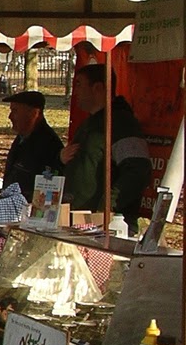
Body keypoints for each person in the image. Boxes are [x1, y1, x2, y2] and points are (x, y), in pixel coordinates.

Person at [61, 63, 152, 230]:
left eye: (79, 85)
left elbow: (138, 170)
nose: (76, 92)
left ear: (98, 88)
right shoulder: (90, 123)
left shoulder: (121, 124)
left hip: (105, 227)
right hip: (78, 220)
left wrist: (107, 207)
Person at [1, 90, 64, 198]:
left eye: (15, 111)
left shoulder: (47, 145)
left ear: (34, 113)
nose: (10, 116)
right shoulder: (22, 138)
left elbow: (47, 183)